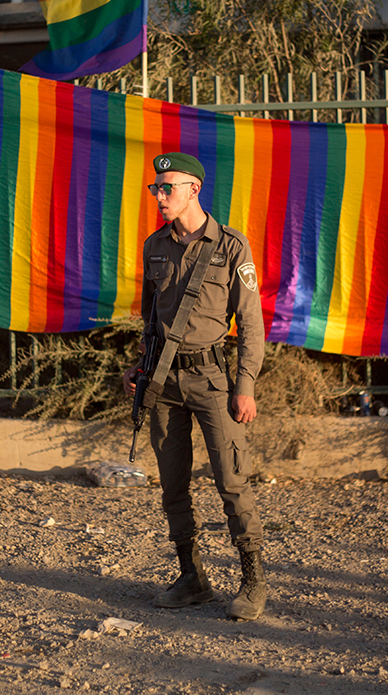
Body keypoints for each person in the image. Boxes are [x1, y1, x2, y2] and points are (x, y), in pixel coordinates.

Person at [121, 151, 268, 621]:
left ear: (194, 190)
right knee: (173, 485)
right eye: (155, 188)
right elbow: (151, 318)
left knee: (231, 481)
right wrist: (138, 365)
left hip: (212, 381)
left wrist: (244, 385)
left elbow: (250, 323)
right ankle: (192, 579)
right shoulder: (154, 246)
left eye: (168, 187)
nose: (160, 196)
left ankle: (252, 581)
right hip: (163, 380)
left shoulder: (230, 246)